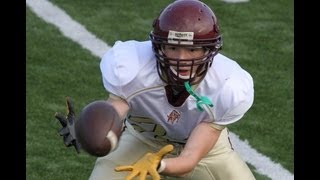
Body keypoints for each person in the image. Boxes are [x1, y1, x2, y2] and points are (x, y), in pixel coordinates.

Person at [58, 0, 255, 179]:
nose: (181, 58)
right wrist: (90, 131)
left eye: (192, 49)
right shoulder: (133, 68)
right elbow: (113, 115)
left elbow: (189, 160)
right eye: (173, 48)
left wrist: (159, 163)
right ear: (159, 47)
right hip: (143, 140)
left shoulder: (228, 85)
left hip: (207, 153)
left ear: (209, 50)